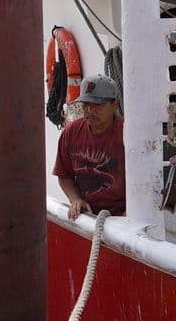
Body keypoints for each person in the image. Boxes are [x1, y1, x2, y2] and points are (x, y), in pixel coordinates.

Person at [53, 74, 125, 220]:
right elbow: (64, 175)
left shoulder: (128, 133)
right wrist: (76, 200)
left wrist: (131, 214)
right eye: (86, 104)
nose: (90, 110)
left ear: (114, 105)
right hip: (88, 214)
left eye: (97, 105)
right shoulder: (71, 132)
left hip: (123, 217)